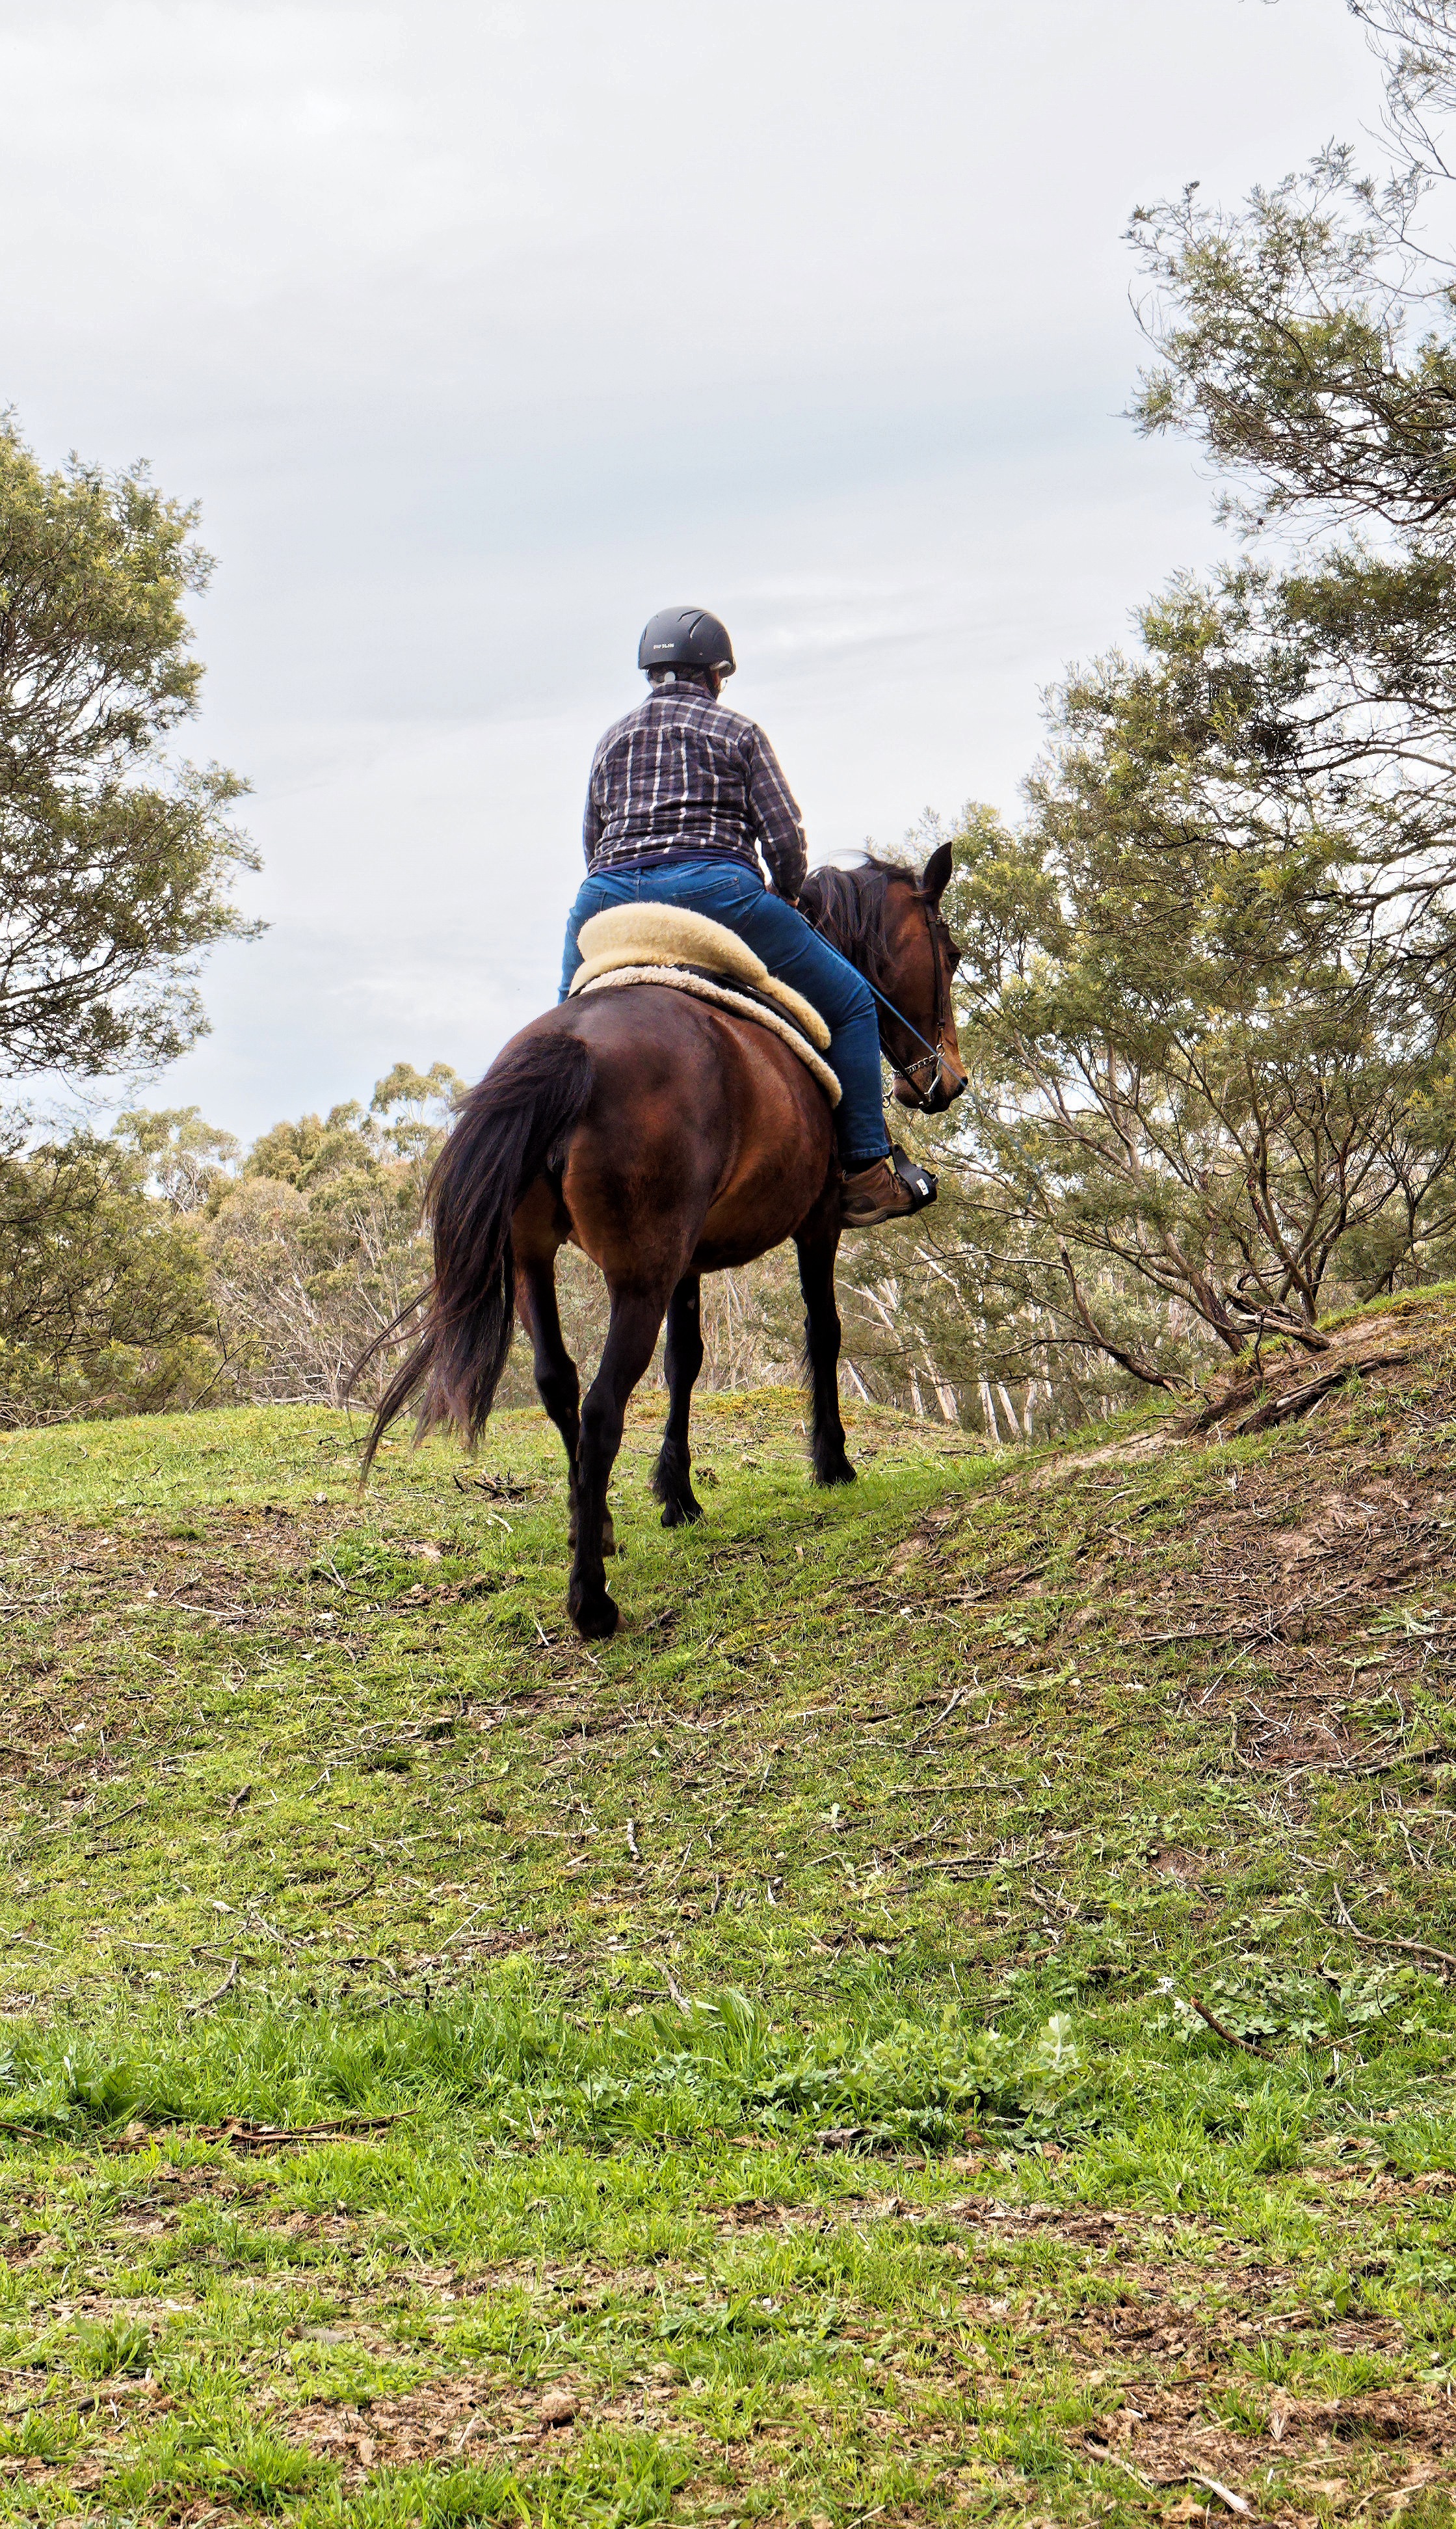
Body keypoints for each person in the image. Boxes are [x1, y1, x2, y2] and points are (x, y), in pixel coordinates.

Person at [559, 606, 925, 1227]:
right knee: (851, 1002)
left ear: (652, 671)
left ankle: (545, 1162)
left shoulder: (610, 739)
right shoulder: (737, 731)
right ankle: (866, 1170)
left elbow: (593, 842)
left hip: (606, 899)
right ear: (716, 674)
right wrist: (784, 891)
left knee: (563, 1024)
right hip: (715, 891)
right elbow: (784, 836)